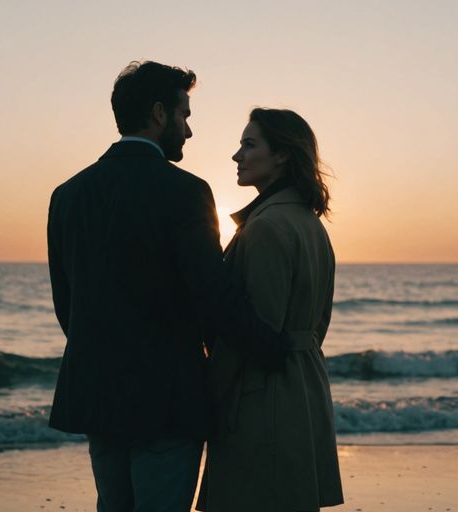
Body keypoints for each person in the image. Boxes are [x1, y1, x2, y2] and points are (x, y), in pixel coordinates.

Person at [46, 62, 291, 512]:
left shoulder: (68, 195)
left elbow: (68, 304)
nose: (189, 131)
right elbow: (212, 297)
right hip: (166, 400)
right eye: (185, 115)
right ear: (159, 114)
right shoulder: (185, 192)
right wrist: (272, 350)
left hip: (98, 393)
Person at [197, 108, 344, 511]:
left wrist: (209, 395)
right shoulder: (310, 225)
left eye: (249, 144)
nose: (236, 156)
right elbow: (319, 324)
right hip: (305, 388)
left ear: (281, 155)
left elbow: (253, 334)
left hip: (263, 401)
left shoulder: (266, 227)